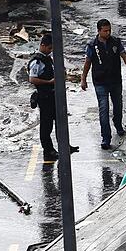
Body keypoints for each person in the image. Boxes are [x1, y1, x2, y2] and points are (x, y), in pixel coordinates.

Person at [80, 20, 126, 150]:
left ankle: (118, 124)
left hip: (115, 80)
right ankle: (106, 138)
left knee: (118, 105)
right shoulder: (92, 46)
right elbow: (87, 63)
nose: (108, 33)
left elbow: (124, 56)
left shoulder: (116, 42)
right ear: (99, 31)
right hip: (100, 82)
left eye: (109, 30)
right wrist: (83, 79)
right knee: (103, 109)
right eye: (105, 31)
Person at [29, 33, 78, 161]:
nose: (51, 51)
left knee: (60, 122)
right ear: (43, 45)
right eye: (50, 48)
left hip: (54, 95)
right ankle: (48, 150)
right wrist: (49, 82)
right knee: (46, 125)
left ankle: (64, 146)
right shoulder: (37, 61)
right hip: (44, 97)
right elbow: (32, 79)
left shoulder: (48, 59)